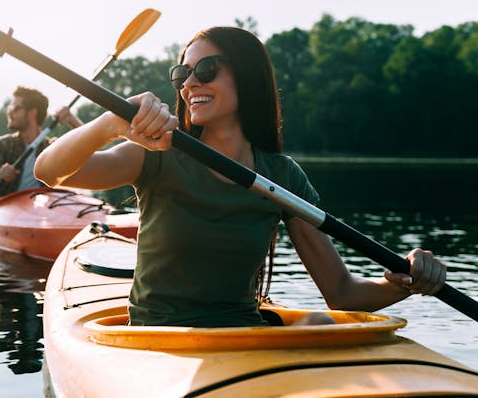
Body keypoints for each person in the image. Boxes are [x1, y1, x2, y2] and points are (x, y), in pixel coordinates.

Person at [34, 26, 447, 327]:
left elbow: (341, 292)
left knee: (319, 323)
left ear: (246, 76)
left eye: (207, 69)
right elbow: (48, 171)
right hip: (158, 341)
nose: (190, 83)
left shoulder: (282, 177)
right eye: (182, 75)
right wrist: (109, 123)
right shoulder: (157, 154)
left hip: (243, 338)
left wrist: (404, 282)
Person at [0, 86, 82, 197]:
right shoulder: (2, 144)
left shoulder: (52, 148)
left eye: (14, 108)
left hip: (39, 210)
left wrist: (72, 120)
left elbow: (89, 149)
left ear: (32, 113)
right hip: (6, 207)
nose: (9, 113)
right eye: (9, 108)